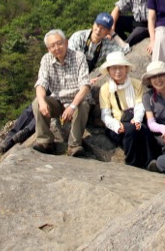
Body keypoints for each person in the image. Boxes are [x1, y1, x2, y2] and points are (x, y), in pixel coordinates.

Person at [31, 29, 91, 157]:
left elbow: (85, 85)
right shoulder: (46, 59)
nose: (57, 48)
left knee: (84, 105)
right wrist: (42, 102)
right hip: (58, 101)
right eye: (52, 46)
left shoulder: (78, 57)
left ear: (66, 42)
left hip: (77, 100)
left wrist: (72, 106)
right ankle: (45, 141)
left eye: (59, 43)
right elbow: (41, 83)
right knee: (37, 102)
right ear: (48, 49)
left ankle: (74, 145)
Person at [98, 51, 150, 168]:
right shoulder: (105, 88)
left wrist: (137, 119)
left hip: (133, 119)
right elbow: (105, 114)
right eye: (114, 68)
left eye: (120, 67)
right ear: (108, 70)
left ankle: (150, 161)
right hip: (116, 125)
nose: (118, 71)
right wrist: (116, 125)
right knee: (132, 130)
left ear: (126, 68)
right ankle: (132, 163)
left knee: (143, 129)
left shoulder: (136, 84)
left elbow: (139, 105)